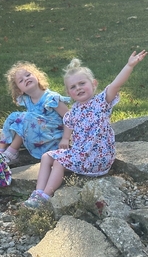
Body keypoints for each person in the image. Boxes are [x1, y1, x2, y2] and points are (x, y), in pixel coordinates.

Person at [23, 51, 147, 209]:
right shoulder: (74, 110)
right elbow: (69, 123)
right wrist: (65, 138)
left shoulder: (101, 102)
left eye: (82, 83)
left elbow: (116, 84)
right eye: (73, 87)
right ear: (69, 93)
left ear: (94, 84)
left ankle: (45, 197)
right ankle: (37, 192)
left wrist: (129, 65)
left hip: (97, 156)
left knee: (59, 162)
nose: (78, 88)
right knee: (47, 156)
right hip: (81, 153)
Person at [0, 61, 70, 163]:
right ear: (19, 90)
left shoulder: (51, 98)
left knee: (25, 117)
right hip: (39, 135)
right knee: (13, 116)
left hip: (53, 138)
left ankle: (12, 152)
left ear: (37, 77)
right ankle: (0, 150)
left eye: (28, 75)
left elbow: (69, 117)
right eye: (21, 80)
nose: (26, 78)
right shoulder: (27, 100)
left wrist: (66, 138)